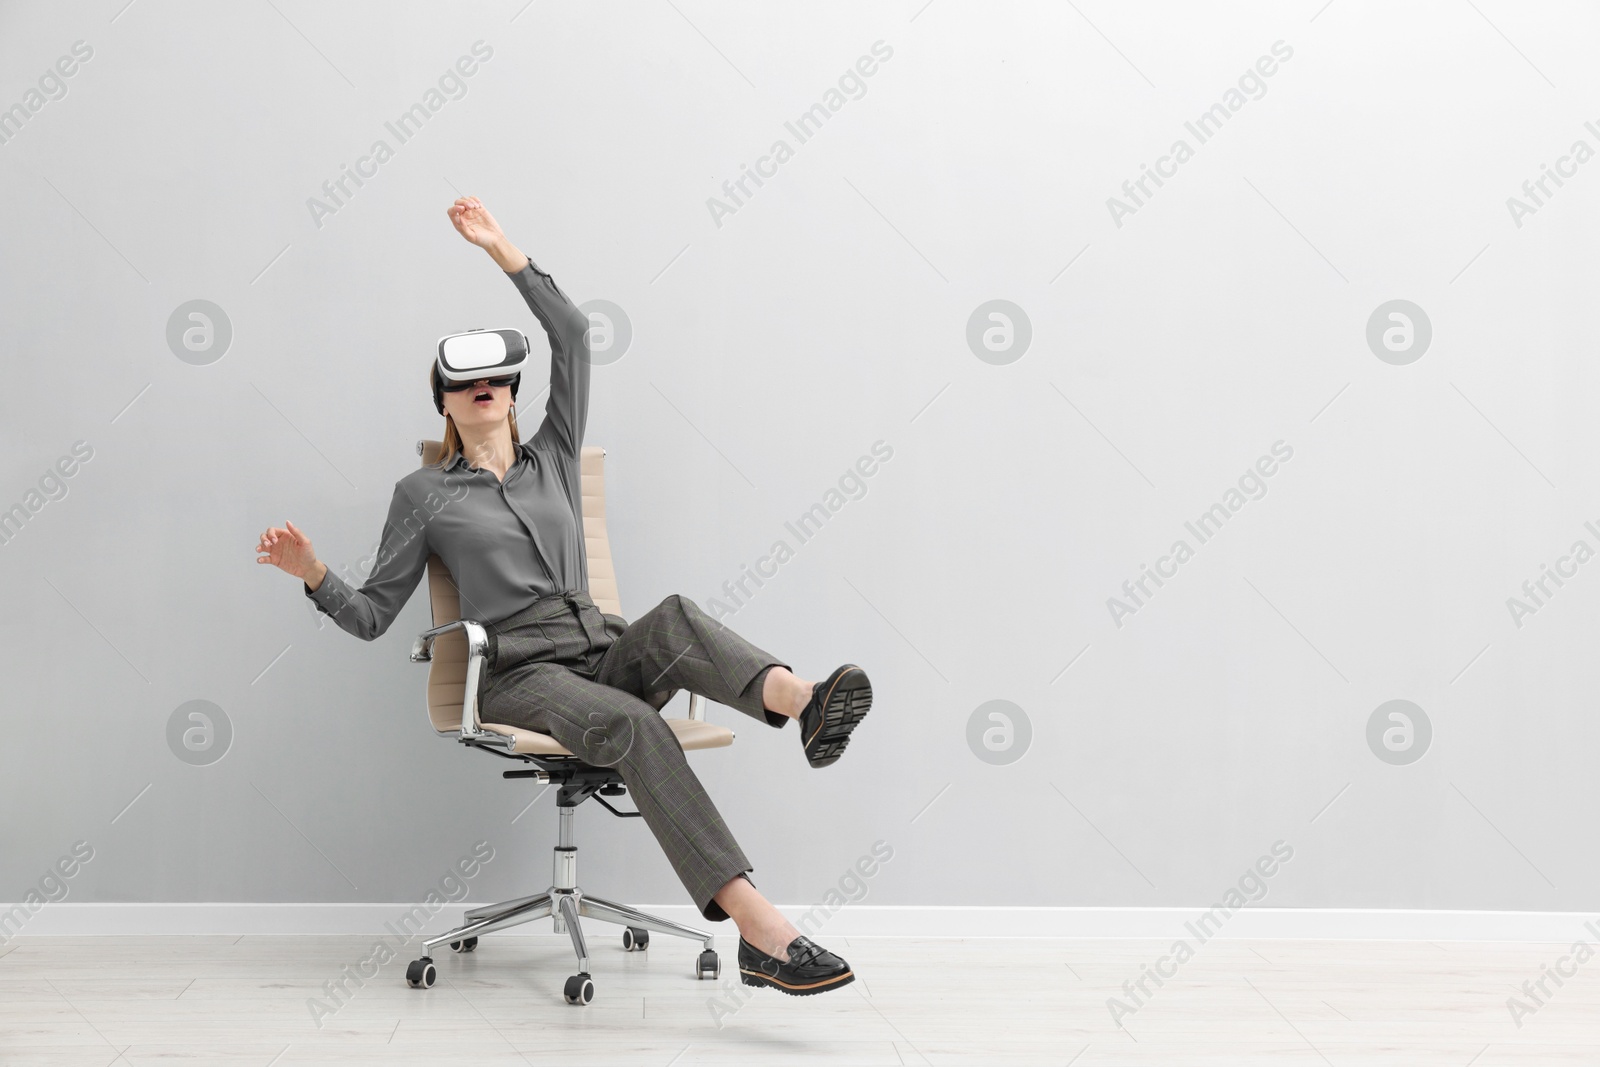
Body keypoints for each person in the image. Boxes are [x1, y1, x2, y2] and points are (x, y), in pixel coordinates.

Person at [254, 197, 873, 996]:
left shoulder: (554, 454)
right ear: (444, 401)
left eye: (495, 379)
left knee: (677, 614)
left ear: (513, 394)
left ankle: (805, 701)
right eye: (464, 382)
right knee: (632, 722)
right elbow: (373, 614)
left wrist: (502, 249)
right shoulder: (421, 493)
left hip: (599, 647)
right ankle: (761, 928)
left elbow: (574, 337)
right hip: (520, 671)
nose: (484, 387)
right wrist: (312, 572)